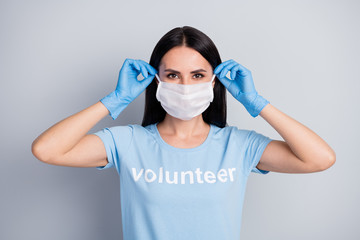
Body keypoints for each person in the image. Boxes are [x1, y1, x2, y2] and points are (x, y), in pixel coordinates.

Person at [31, 26, 336, 240]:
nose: (186, 86)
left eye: (198, 75)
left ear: (214, 83)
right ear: (157, 80)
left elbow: (320, 159)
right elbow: (47, 150)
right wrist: (116, 100)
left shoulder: (238, 146)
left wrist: (256, 103)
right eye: (173, 75)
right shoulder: (127, 142)